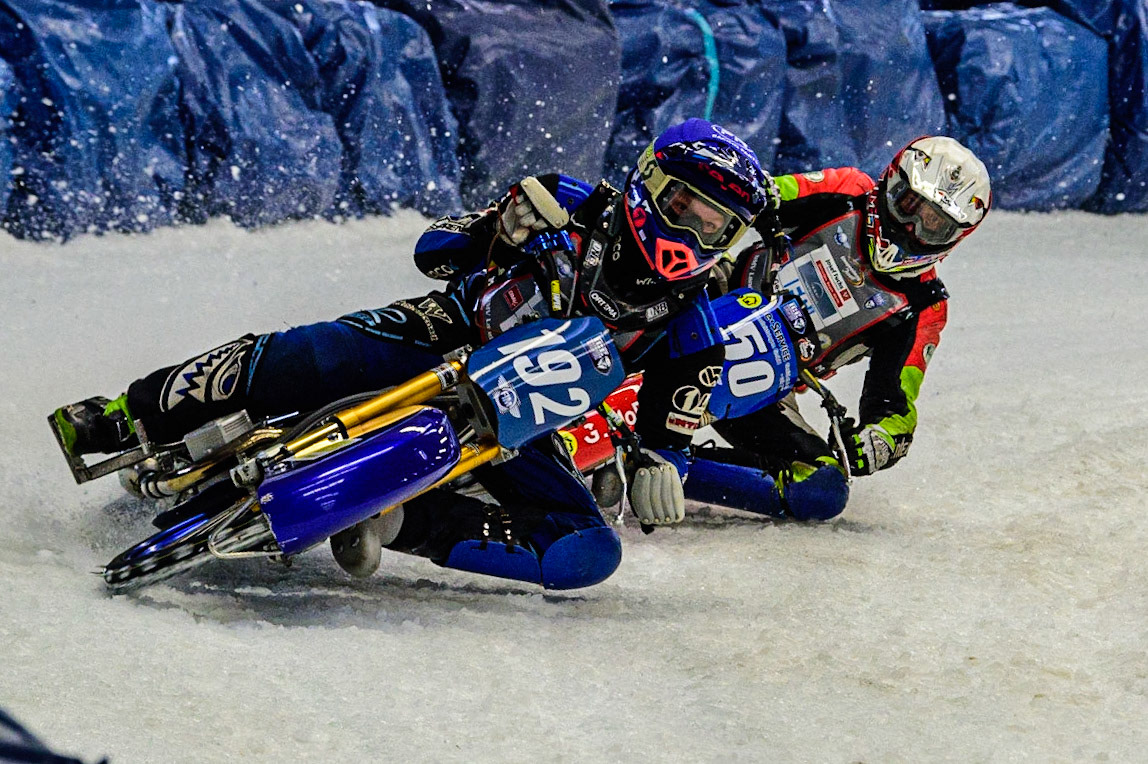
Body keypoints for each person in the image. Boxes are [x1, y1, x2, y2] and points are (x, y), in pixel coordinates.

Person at [51, 118, 774, 588]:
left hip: (518, 423)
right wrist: (500, 228)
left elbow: (672, 432)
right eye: (684, 206)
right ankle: (126, 414)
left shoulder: (695, 326)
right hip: (441, 333)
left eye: (714, 226)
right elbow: (434, 249)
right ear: (649, 183)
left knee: (586, 550)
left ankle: (392, 521)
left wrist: (661, 470)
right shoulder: (568, 201)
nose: (692, 233)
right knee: (306, 357)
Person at [681, 136, 992, 522]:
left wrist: (878, 441)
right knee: (668, 270)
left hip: (761, 385)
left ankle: (670, 470)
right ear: (890, 184)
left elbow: (894, 406)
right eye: (910, 206)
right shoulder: (848, 189)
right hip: (711, 298)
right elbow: (759, 195)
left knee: (821, 488)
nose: (911, 229)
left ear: (953, 239)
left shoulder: (924, 306)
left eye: (934, 225)